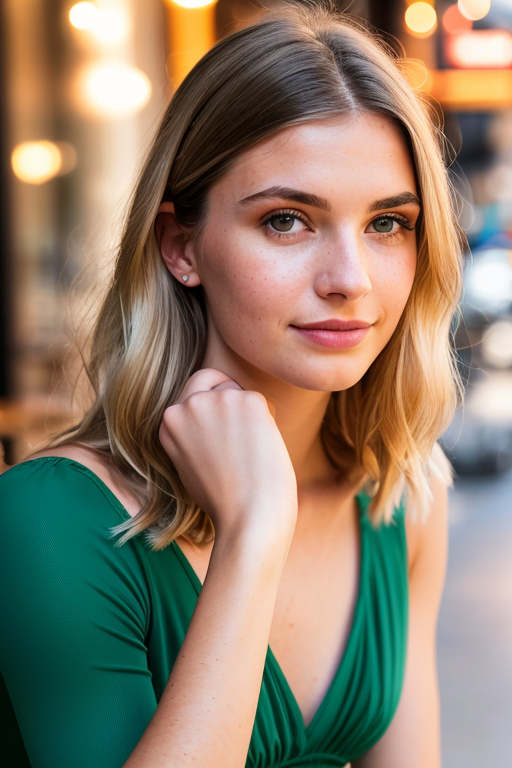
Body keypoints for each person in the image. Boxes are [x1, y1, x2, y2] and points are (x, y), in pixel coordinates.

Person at [0, 3, 465, 767]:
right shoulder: (47, 522)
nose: (350, 280)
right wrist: (254, 533)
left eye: (388, 224)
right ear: (181, 245)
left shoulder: (403, 500)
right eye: (287, 220)